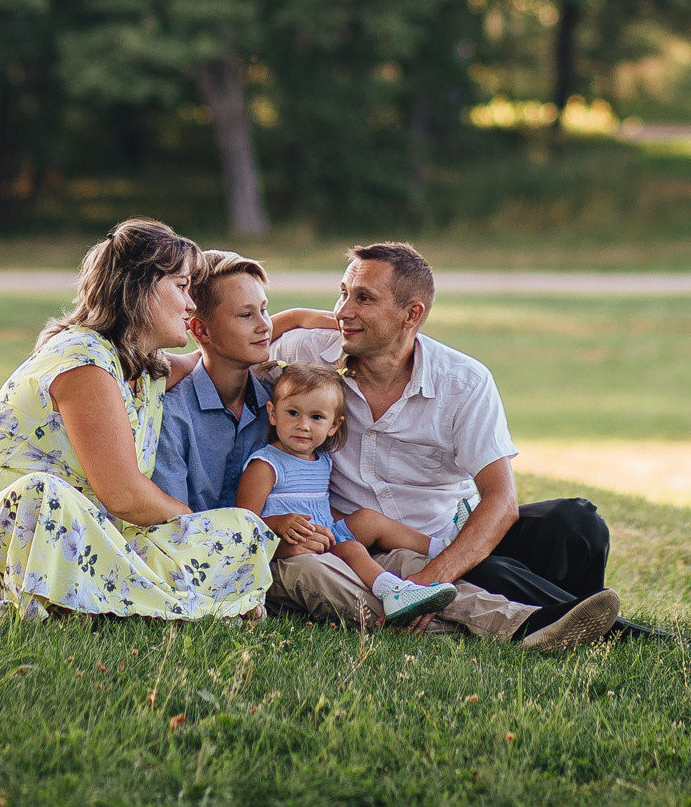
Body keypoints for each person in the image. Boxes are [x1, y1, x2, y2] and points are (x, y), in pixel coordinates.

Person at [0, 219, 276, 624]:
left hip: (90, 538)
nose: (191, 306)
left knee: (242, 530)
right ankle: (180, 605)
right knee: (46, 495)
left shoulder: (144, 369)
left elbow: (219, 352)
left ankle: (125, 605)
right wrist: (192, 529)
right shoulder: (83, 360)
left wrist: (307, 322)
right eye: (182, 287)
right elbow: (124, 495)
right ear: (141, 288)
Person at [268, 241, 625, 652]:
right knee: (493, 574)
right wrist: (296, 318)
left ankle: (575, 618)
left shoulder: (462, 381)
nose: (343, 310)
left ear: (412, 314)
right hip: (365, 548)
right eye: (343, 293)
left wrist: (431, 579)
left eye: (363, 299)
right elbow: (239, 343)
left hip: (443, 539)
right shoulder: (309, 356)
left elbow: (501, 500)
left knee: (577, 523)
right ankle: (608, 632)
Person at [234, 363, 458, 627]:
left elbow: (318, 506)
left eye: (316, 417)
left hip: (324, 535)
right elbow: (241, 525)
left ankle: (440, 546)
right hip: (285, 549)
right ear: (272, 413)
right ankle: (392, 591)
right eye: (293, 413)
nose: (303, 425)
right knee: (352, 549)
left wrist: (340, 524)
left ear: (333, 425)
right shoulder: (266, 465)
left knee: (367, 519)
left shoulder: (322, 460)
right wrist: (278, 523)